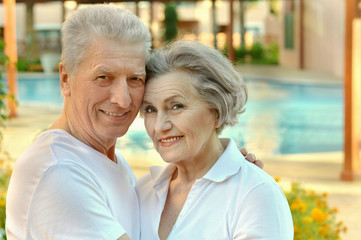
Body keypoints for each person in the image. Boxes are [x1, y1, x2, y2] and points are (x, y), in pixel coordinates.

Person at [5, 4, 261, 240]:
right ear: (65, 79)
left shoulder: (107, 161)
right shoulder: (59, 172)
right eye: (103, 77)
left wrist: (226, 181)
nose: (122, 99)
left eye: (135, 79)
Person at [136, 40, 294, 240]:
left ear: (217, 112)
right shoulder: (144, 191)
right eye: (150, 109)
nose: (159, 126)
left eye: (176, 106)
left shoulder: (255, 194)